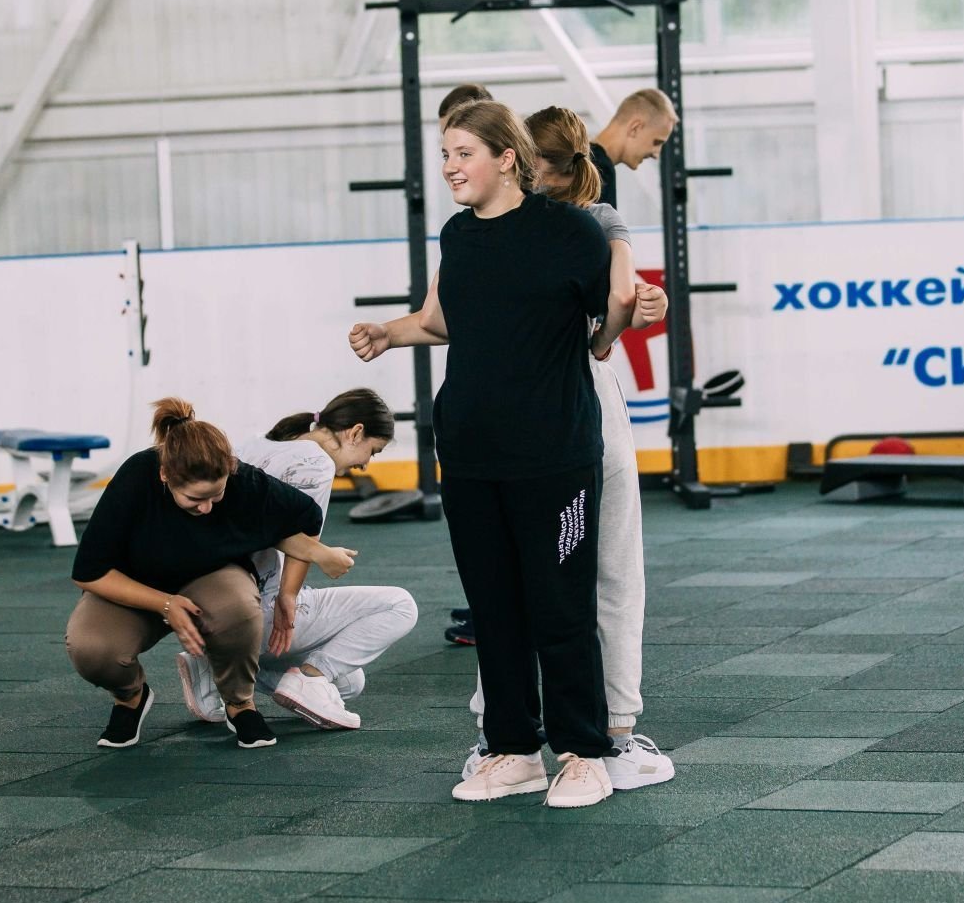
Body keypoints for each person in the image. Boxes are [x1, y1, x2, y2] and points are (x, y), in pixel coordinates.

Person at [349, 100, 617, 809]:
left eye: (463, 152)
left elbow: (607, 316)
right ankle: (513, 749)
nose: (449, 167)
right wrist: (390, 333)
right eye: (445, 154)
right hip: (470, 453)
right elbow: (443, 321)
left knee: (560, 609)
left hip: (554, 455)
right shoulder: (458, 236)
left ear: (506, 158)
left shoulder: (571, 231)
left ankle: (584, 753)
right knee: (494, 610)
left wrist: (633, 310)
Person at [460, 105, 675, 791]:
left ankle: (601, 733)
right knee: (516, 584)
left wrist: (630, 314)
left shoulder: (593, 222)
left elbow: (626, 300)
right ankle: (515, 735)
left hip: (575, 409)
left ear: (522, 164)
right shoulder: (485, 229)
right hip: (527, 414)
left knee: (579, 574)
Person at [66, 398, 357, 751]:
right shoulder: (136, 477)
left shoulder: (243, 479)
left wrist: (288, 593)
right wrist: (166, 604)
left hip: (210, 577)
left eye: (216, 496)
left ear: (229, 469)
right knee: (91, 649)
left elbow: (305, 519)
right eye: (194, 499)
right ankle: (130, 698)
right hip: (137, 583)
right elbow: (89, 572)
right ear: (165, 476)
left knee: (240, 608)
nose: (206, 508)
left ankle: (239, 703)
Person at [177, 388, 417, 731]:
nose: (365, 464)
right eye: (372, 451)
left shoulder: (256, 443)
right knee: (400, 606)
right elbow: (302, 541)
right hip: (253, 612)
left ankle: (216, 663)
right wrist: (288, 598)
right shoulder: (316, 463)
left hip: (206, 611)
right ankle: (306, 676)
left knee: (351, 683)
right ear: (355, 432)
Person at [589, 88, 678, 208]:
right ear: (635, 128)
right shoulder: (600, 170)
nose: (656, 155)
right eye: (657, 142)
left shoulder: (582, 161)